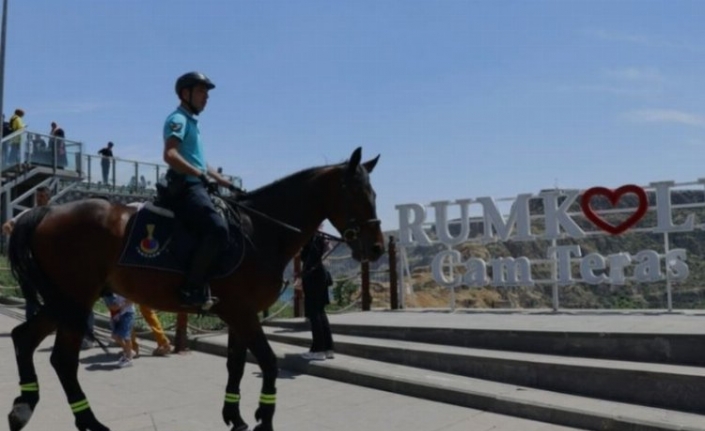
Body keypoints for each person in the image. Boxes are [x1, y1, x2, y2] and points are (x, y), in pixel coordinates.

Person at [162, 71, 240, 309]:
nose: (206, 97)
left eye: (207, 93)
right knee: (217, 229)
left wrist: (225, 181)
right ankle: (192, 287)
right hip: (186, 188)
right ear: (185, 94)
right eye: (201, 91)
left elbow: (200, 163)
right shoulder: (178, 120)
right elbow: (170, 154)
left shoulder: (192, 123)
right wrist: (200, 175)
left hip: (197, 184)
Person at [2, 186, 51, 320]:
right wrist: (19, 237)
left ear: (48, 198)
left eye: (42, 196)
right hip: (30, 261)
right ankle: (31, 323)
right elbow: (7, 226)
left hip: (48, 262)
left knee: (50, 295)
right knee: (30, 296)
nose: (39, 199)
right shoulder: (28, 213)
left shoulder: (54, 214)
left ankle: (47, 322)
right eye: (37, 196)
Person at [298, 230, 335, 361]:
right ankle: (328, 348)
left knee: (314, 313)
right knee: (320, 312)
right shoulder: (320, 236)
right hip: (321, 276)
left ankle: (318, 349)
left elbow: (308, 258)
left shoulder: (310, 236)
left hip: (313, 277)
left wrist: (301, 277)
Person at [103, 292, 136, 368]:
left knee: (126, 336)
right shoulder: (117, 289)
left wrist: (121, 305)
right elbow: (113, 303)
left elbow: (132, 299)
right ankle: (129, 351)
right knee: (115, 336)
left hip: (128, 313)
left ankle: (129, 358)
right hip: (119, 314)